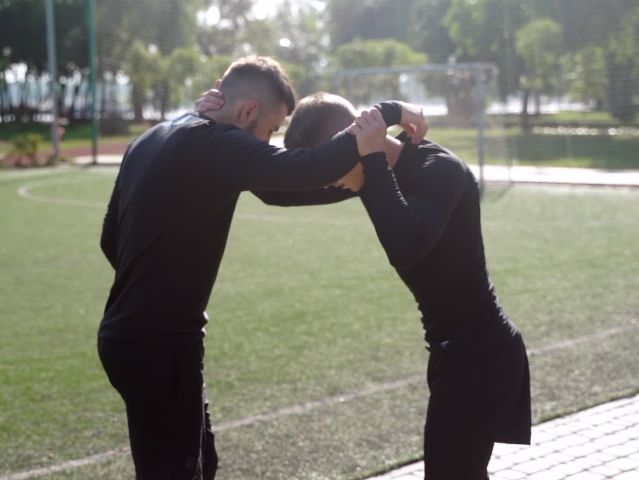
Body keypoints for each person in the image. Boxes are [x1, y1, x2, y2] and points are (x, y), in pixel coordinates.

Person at [99, 57, 428, 480]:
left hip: (125, 339)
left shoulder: (153, 138)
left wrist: (368, 185)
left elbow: (111, 241)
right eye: (272, 130)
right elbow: (306, 169)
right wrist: (388, 115)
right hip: (159, 347)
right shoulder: (213, 144)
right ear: (248, 111)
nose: (270, 142)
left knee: (198, 462)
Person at [197, 91, 532, 479]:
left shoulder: (438, 169)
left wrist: (371, 158)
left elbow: (407, 246)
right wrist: (219, 124)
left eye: (330, 168)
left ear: (354, 145)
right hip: (450, 353)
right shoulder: (365, 173)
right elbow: (276, 192)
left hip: (482, 356)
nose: (327, 182)